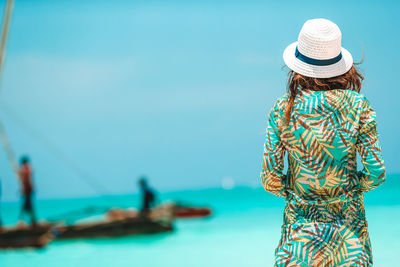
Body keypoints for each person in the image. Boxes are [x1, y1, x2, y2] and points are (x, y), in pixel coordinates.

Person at [261, 19, 386, 266]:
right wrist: (349, 191)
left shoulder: (282, 109)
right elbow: (377, 173)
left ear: (297, 66)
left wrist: (298, 194)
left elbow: (270, 180)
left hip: (299, 240)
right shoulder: (359, 106)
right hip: (350, 240)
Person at [18, 156, 37, 226]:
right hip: (28, 189)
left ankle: (24, 220)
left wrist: (24, 189)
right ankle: (32, 221)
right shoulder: (27, 168)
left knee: (27, 205)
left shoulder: (26, 168)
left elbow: (26, 180)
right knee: (28, 205)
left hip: (27, 189)